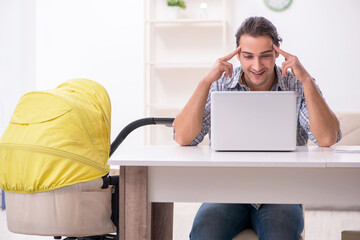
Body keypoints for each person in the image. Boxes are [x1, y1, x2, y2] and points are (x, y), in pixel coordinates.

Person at [173, 16, 342, 240]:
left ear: (277, 53)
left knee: (279, 234)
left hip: (282, 192)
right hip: (227, 191)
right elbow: (183, 138)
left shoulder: (298, 84)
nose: (257, 66)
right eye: (248, 56)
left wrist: (307, 81)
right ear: (237, 54)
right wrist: (205, 82)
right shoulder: (220, 83)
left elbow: (327, 138)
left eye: (265, 56)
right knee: (205, 232)